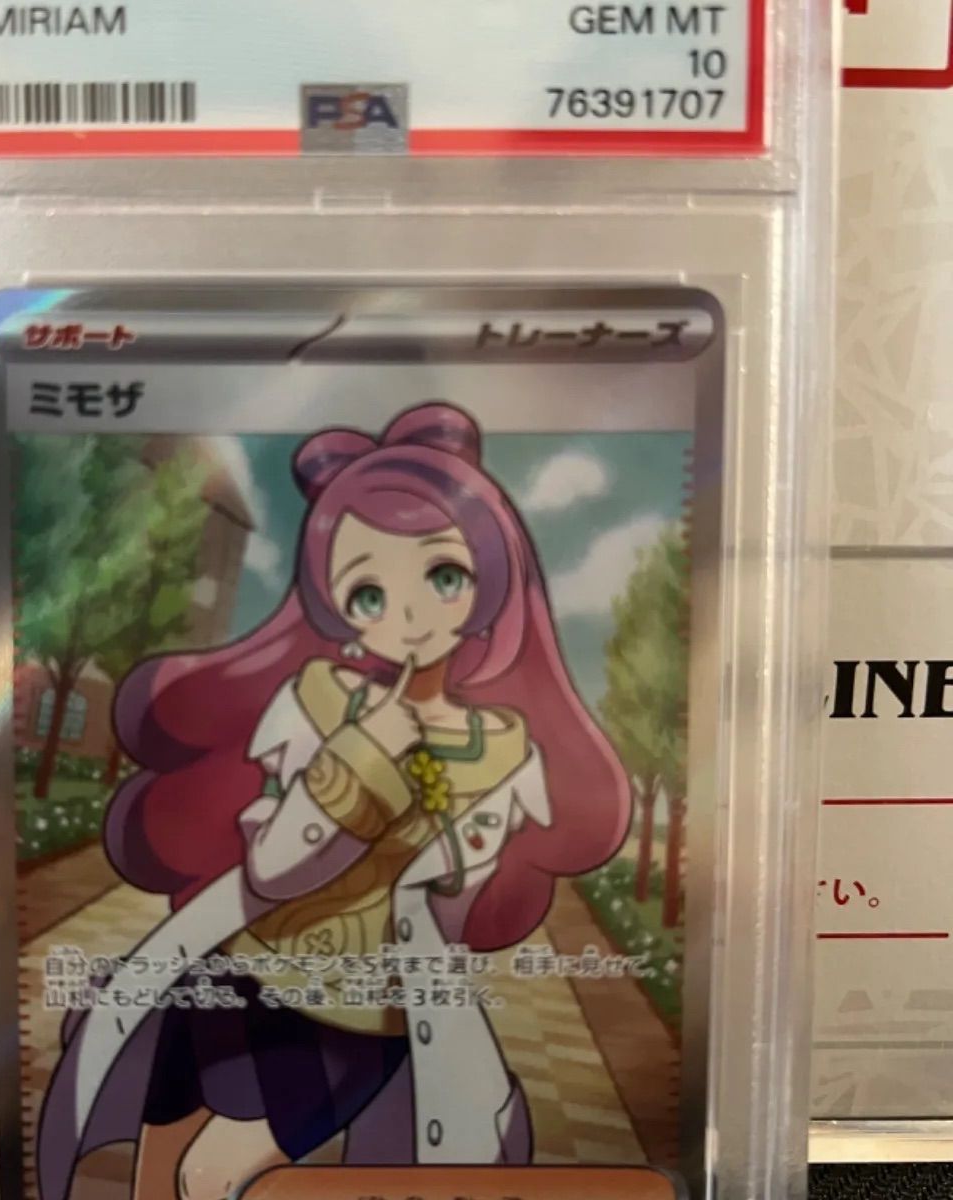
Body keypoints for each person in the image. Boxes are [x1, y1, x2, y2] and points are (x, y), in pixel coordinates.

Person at [37, 403, 632, 1200]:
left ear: (490, 583)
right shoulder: (317, 699)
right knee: (158, 1154)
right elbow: (277, 864)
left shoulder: (500, 751)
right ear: (335, 604)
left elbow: (456, 899)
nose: (409, 617)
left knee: (212, 1178)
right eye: (369, 593)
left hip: (362, 1010)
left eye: (443, 577)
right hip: (240, 965)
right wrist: (368, 747)